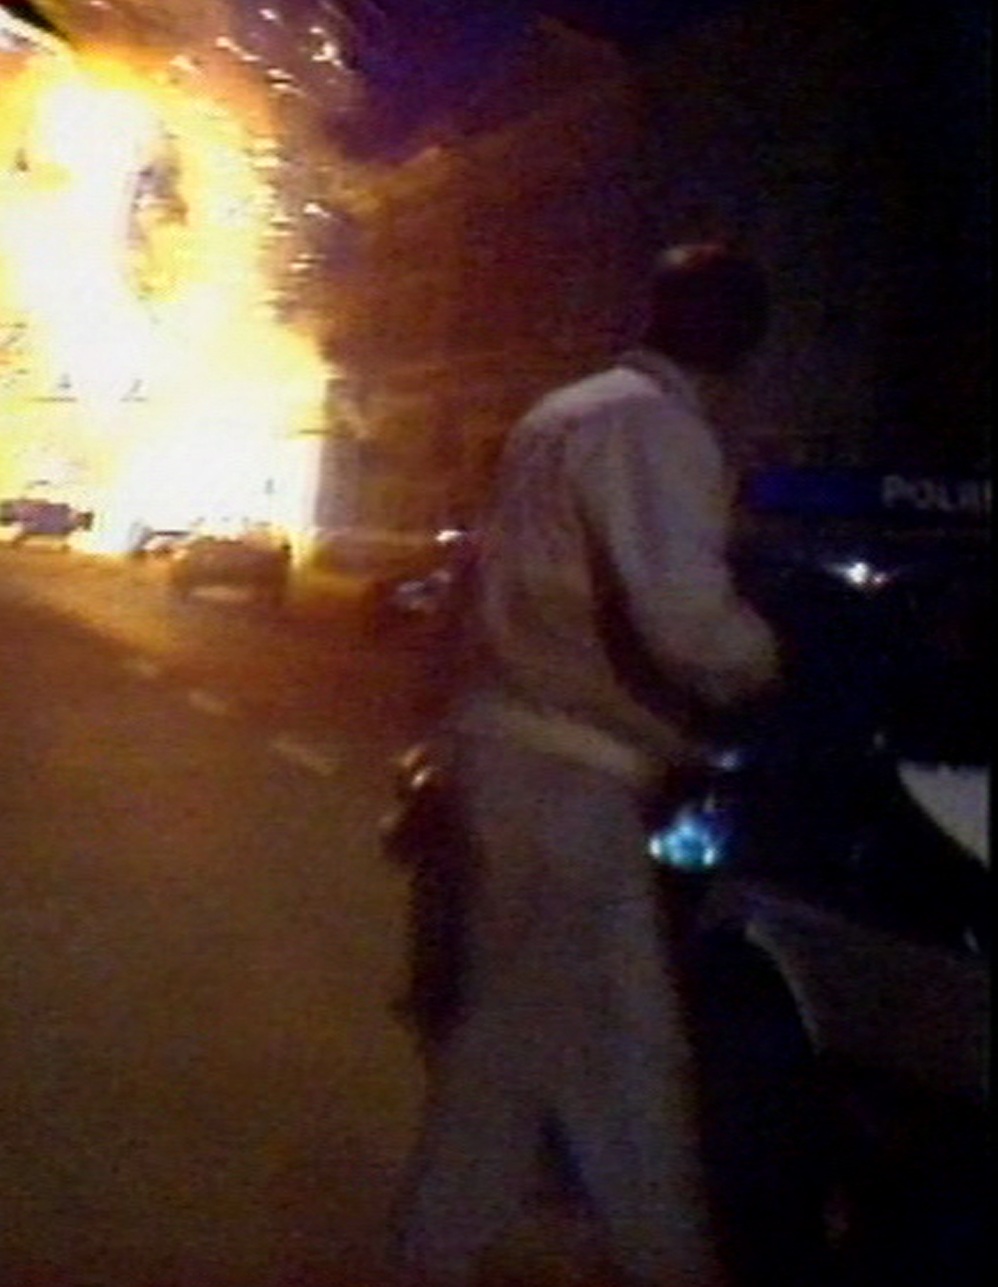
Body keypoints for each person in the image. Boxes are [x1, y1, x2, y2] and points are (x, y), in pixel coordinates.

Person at [395, 243, 781, 1287]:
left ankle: (470, 1253)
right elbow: (685, 619)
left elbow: (478, 588)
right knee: (573, 1041)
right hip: (573, 764)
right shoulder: (654, 429)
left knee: (582, 1044)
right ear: (739, 336)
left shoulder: (558, 415)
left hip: (511, 751)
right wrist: (770, 667)